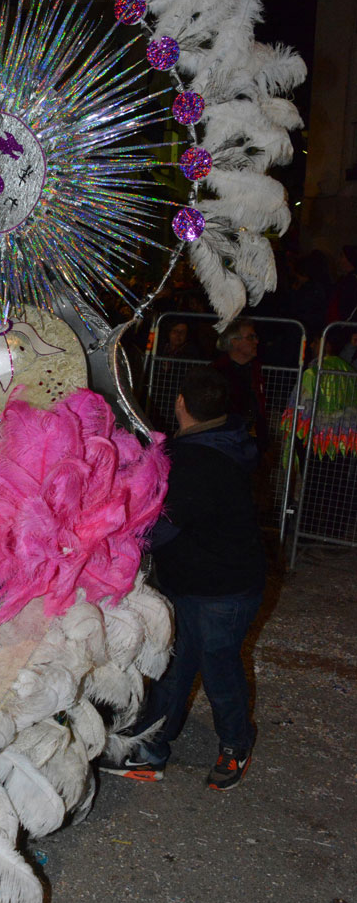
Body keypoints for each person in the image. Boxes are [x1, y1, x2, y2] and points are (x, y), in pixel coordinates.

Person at [100, 367, 265, 790]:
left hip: (220, 591)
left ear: (179, 403)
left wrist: (107, 538)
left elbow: (158, 530)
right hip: (199, 581)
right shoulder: (226, 442)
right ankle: (152, 749)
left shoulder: (195, 461)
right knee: (172, 666)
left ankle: (236, 744)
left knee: (218, 669)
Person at [212, 318, 269, 455]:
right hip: (225, 443)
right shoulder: (217, 372)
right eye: (250, 337)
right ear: (234, 341)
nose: (256, 341)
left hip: (251, 442)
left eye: (255, 336)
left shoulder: (256, 369)